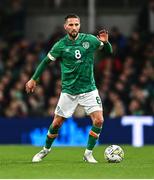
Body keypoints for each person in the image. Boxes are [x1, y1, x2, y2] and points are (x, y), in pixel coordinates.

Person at [25, 14, 112, 163]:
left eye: (76, 24)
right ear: (65, 27)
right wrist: (34, 78)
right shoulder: (60, 45)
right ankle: (45, 149)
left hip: (89, 89)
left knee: (99, 120)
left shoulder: (90, 40)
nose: (74, 27)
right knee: (57, 123)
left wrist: (106, 42)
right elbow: (45, 62)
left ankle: (88, 154)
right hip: (69, 91)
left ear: (79, 25)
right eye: (71, 25)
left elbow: (108, 52)